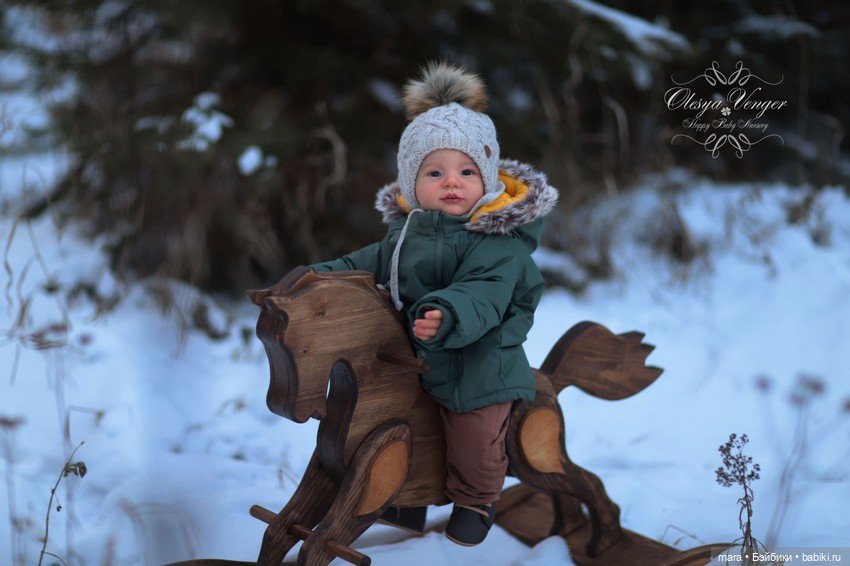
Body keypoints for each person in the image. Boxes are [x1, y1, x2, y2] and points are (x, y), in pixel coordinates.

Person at [310, 61, 558, 546]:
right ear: (411, 183)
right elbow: (361, 265)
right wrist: (315, 282)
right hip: (418, 358)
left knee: (471, 431)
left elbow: (484, 293)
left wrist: (447, 314)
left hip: (480, 360)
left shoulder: (499, 243)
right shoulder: (405, 236)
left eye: (467, 171)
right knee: (393, 415)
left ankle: (477, 499)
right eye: (434, 172)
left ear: (487, 180)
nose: (452, 182)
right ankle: (403, 492)